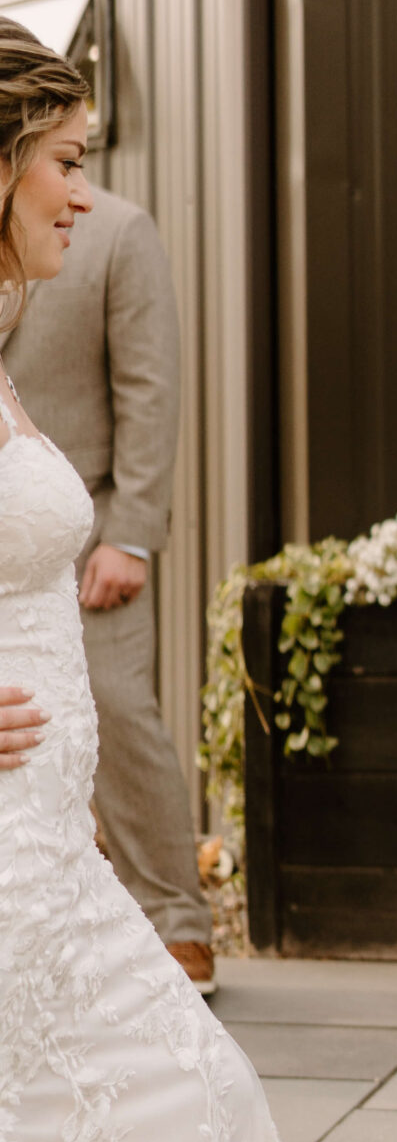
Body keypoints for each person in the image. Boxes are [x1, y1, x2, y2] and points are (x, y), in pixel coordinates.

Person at [0, 22, 397, 1142]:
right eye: (66, 160)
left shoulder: (14, 319)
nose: (87, 190)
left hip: (46, 842)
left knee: (86, 1133)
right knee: (163, 1098)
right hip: (9, 855)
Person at [5, 179, 214, 991]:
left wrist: (131, 533)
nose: (78, 189)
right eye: (65, 157)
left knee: (122, 711)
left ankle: (179, 921)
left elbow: (150, 389)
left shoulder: (122, 234)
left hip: (85, 527)